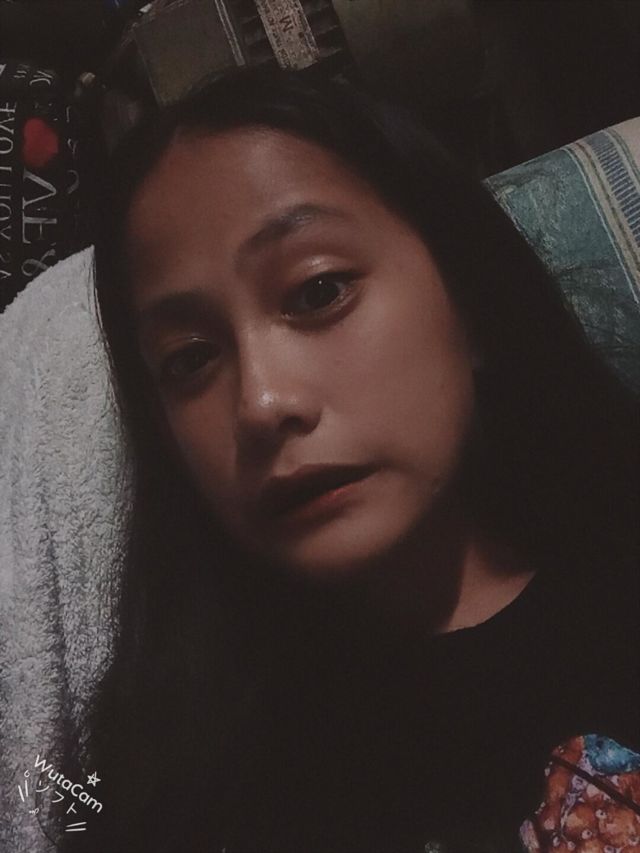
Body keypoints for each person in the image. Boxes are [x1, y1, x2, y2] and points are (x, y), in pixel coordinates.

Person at [59, 66, 638, 853]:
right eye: (190, 358)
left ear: (468, 298)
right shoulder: (173, 772)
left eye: (317, 290)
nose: (261, 402)